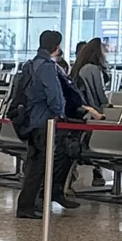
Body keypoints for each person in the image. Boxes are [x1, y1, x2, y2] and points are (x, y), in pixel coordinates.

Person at [15, 30, 79, 219]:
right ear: (56, 47)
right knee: (39, 165)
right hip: (44, 121)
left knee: (34, 162)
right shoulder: (47, 67)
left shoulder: (31, 64)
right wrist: (60, 112)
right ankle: (26, 206)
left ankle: (28, 203)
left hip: (31, 120)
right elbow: (54, 95)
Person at [70, 37, 110, 189]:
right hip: (94, 113)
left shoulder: (79, 67)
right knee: (93, 144)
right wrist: (109, 106)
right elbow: (99, 94)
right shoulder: (93, 69)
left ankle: (72, 173)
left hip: (82, 113)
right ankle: (97, 172)